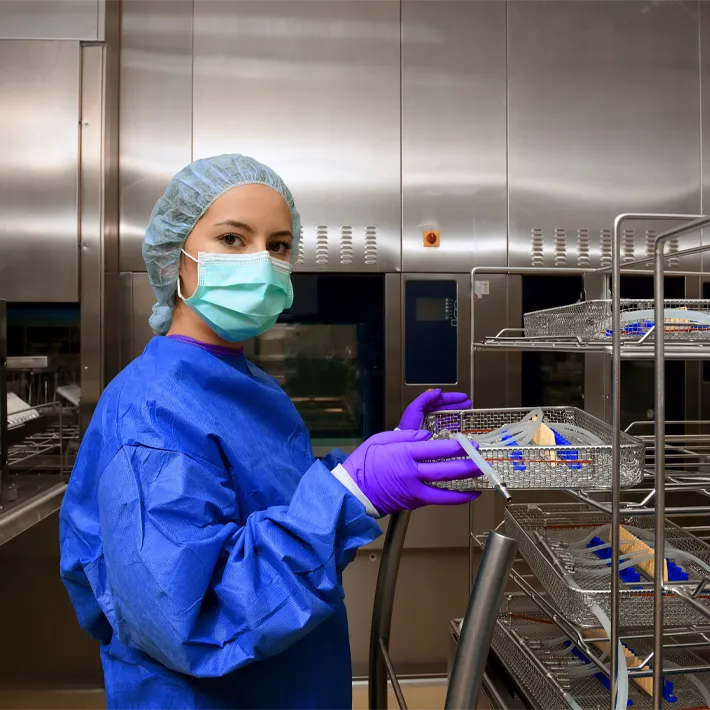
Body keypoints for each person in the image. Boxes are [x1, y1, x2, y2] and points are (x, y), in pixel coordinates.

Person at [59, 154, 482, 710]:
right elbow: (192, 618)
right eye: (233, 239)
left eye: (279, 245)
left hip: (291, 678)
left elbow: (270, 513)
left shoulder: (248, 385)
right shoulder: (150, 412)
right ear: (175, 260)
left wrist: (359, 472)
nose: (261, 261)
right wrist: (353, 493)